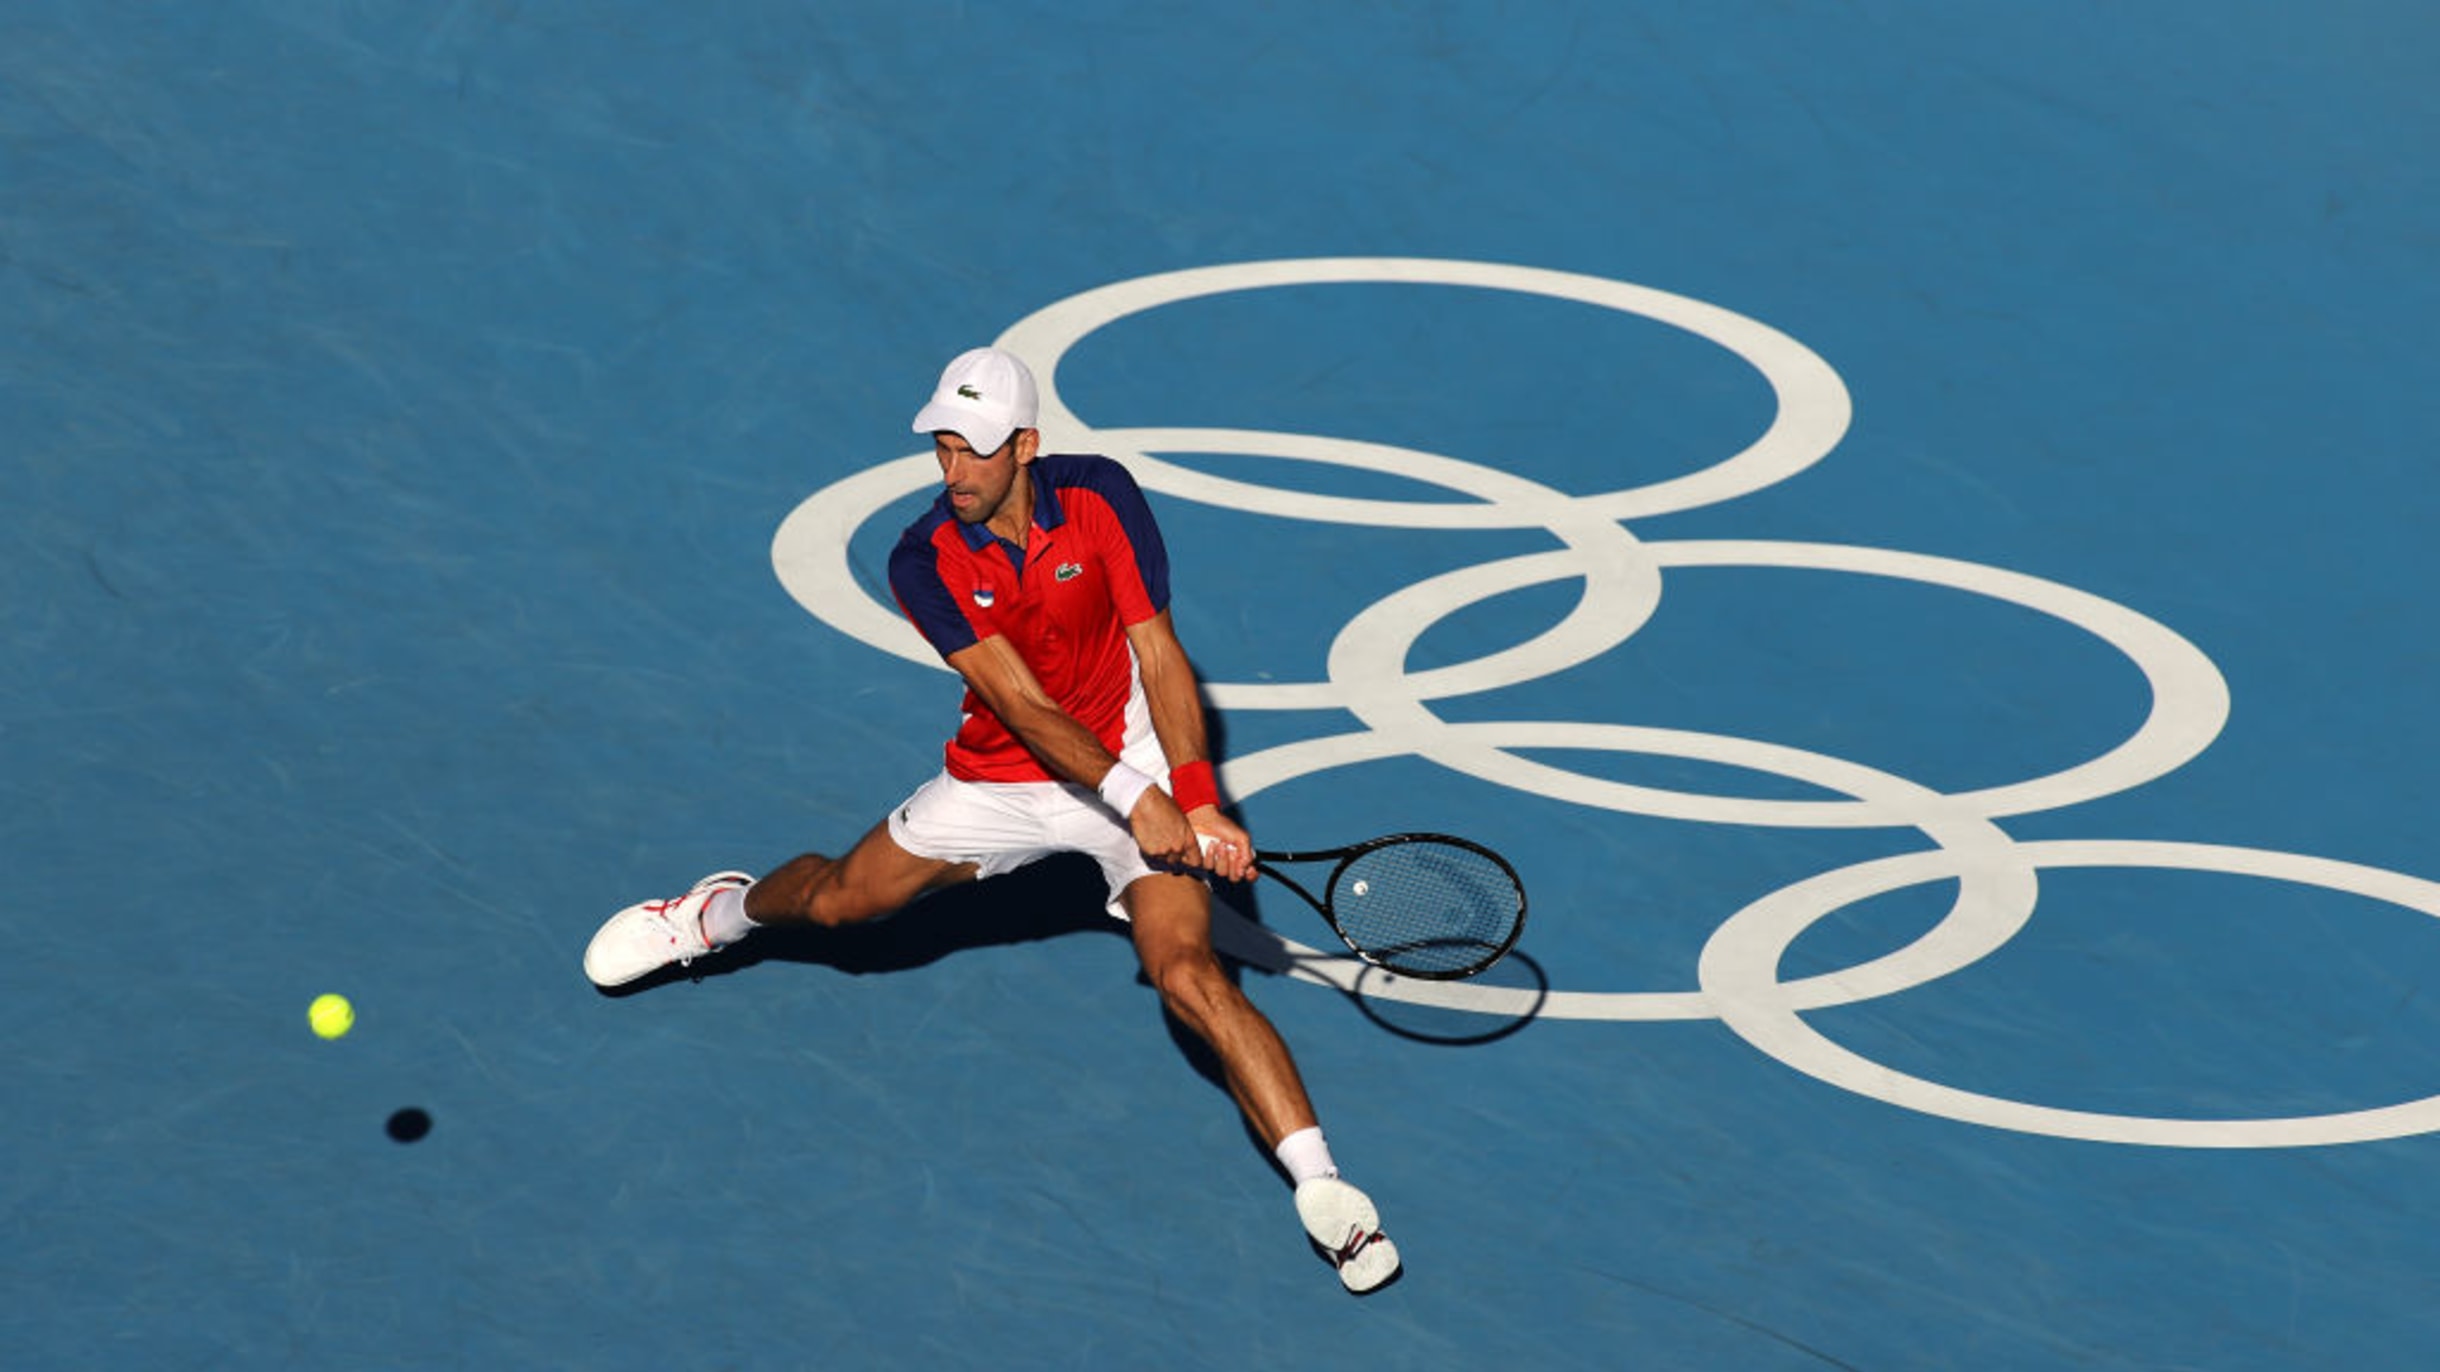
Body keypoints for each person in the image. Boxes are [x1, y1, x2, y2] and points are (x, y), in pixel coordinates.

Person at [583, 346, 1400, 1294]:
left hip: (1132, 754)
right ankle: (712, 916)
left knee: (1189, 975)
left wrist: (1193, 790)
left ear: (1025, 445)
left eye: (973, 450)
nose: (954, 472)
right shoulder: (920, 558)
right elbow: (1026, 711)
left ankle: (1330, 1197)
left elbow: (1159, 651)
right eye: (942, 448)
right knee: (845, 905)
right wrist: (1141, 803)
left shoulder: (1101, 497)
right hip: (1004, 779)